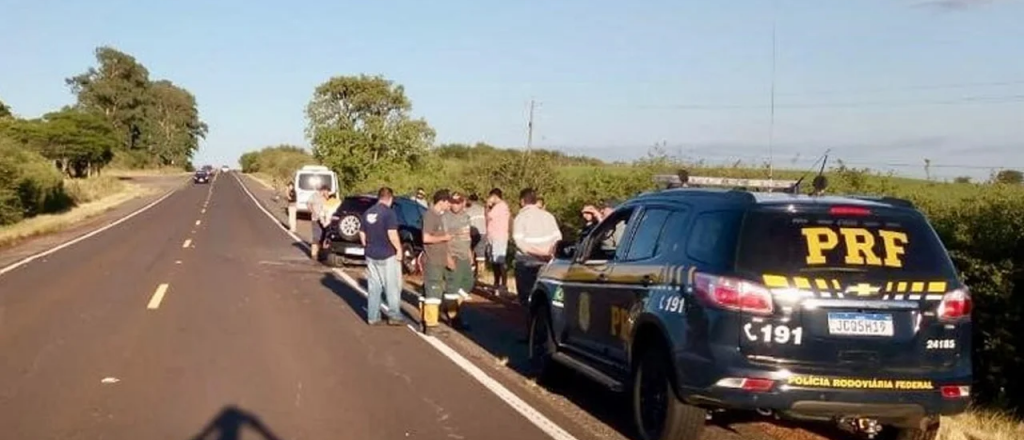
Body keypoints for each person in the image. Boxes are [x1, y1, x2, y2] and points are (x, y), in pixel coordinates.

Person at [359, 187, 406, 326]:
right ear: (390, 198)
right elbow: (392, 234)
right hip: (387, 254)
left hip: (371, 253)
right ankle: (394, 315)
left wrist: (366, 246)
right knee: (392, 286)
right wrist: (399, 250)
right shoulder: (389, 213)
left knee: (374, 286)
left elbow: (362, 233)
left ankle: (373, 316)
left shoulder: (368, 212)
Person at [512, 188, 562, 306]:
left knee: (526, 299)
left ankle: (529, 322)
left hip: (526, 263)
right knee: (544, 298)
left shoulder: (520, 218)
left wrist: (537, 254)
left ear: (522, 201)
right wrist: (548, 255)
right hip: (547, 263)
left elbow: (520, 243)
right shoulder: (548, 216)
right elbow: (558, 239)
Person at [420, 189, 453, 335]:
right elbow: (426, 238)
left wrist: (447, 257)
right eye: (448, 202)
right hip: (432, 260)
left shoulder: (439, 216)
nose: (450, 205)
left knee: (428, 291)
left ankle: (424, 320)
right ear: (442, 201)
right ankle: (431, 325)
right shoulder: (430, 216)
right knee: (433, 292)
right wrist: (444, 238)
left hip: (438, 260)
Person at [442, 192, 474, 330]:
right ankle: (452, 316)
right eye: (453, 202)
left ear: (463, 202)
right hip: (453, 255)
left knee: (468, 283)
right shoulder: (446, 218)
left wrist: (469, 253)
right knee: (452, 288)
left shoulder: (466, 217)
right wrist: (448, 257)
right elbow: (442, 240)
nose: (455, 205)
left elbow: (467, 238)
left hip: (464, 256)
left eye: (458, 202)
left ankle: (447, 307)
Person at [485, 188, 511, 295]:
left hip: (499, 237)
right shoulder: (500, 207)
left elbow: (488, 216)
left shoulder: (500, 206)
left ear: (494, 196)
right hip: (494, 237)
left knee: (500, 261)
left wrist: (487, 206)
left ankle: (503, 285)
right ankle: (496, 283)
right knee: (495, 262)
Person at [465, 193, 487, 277]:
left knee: (470, 251)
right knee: (481, 255)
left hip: (473, 233)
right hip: (484, 232)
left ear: (470, 200)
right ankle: (481, 273)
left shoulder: (469, 210)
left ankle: (472, 270)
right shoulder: (483, 209)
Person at [308, 184, 330, 262]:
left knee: (323, 237)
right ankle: (314, 255)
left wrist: (327, 198)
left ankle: (321, 253)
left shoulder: (326, 198)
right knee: (316, 237)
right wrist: (313, 212)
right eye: (327, 191)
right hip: (316, 219)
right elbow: (309, 204)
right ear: (323, 190)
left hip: (324, 220)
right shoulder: (314, 196)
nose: (327, 193)